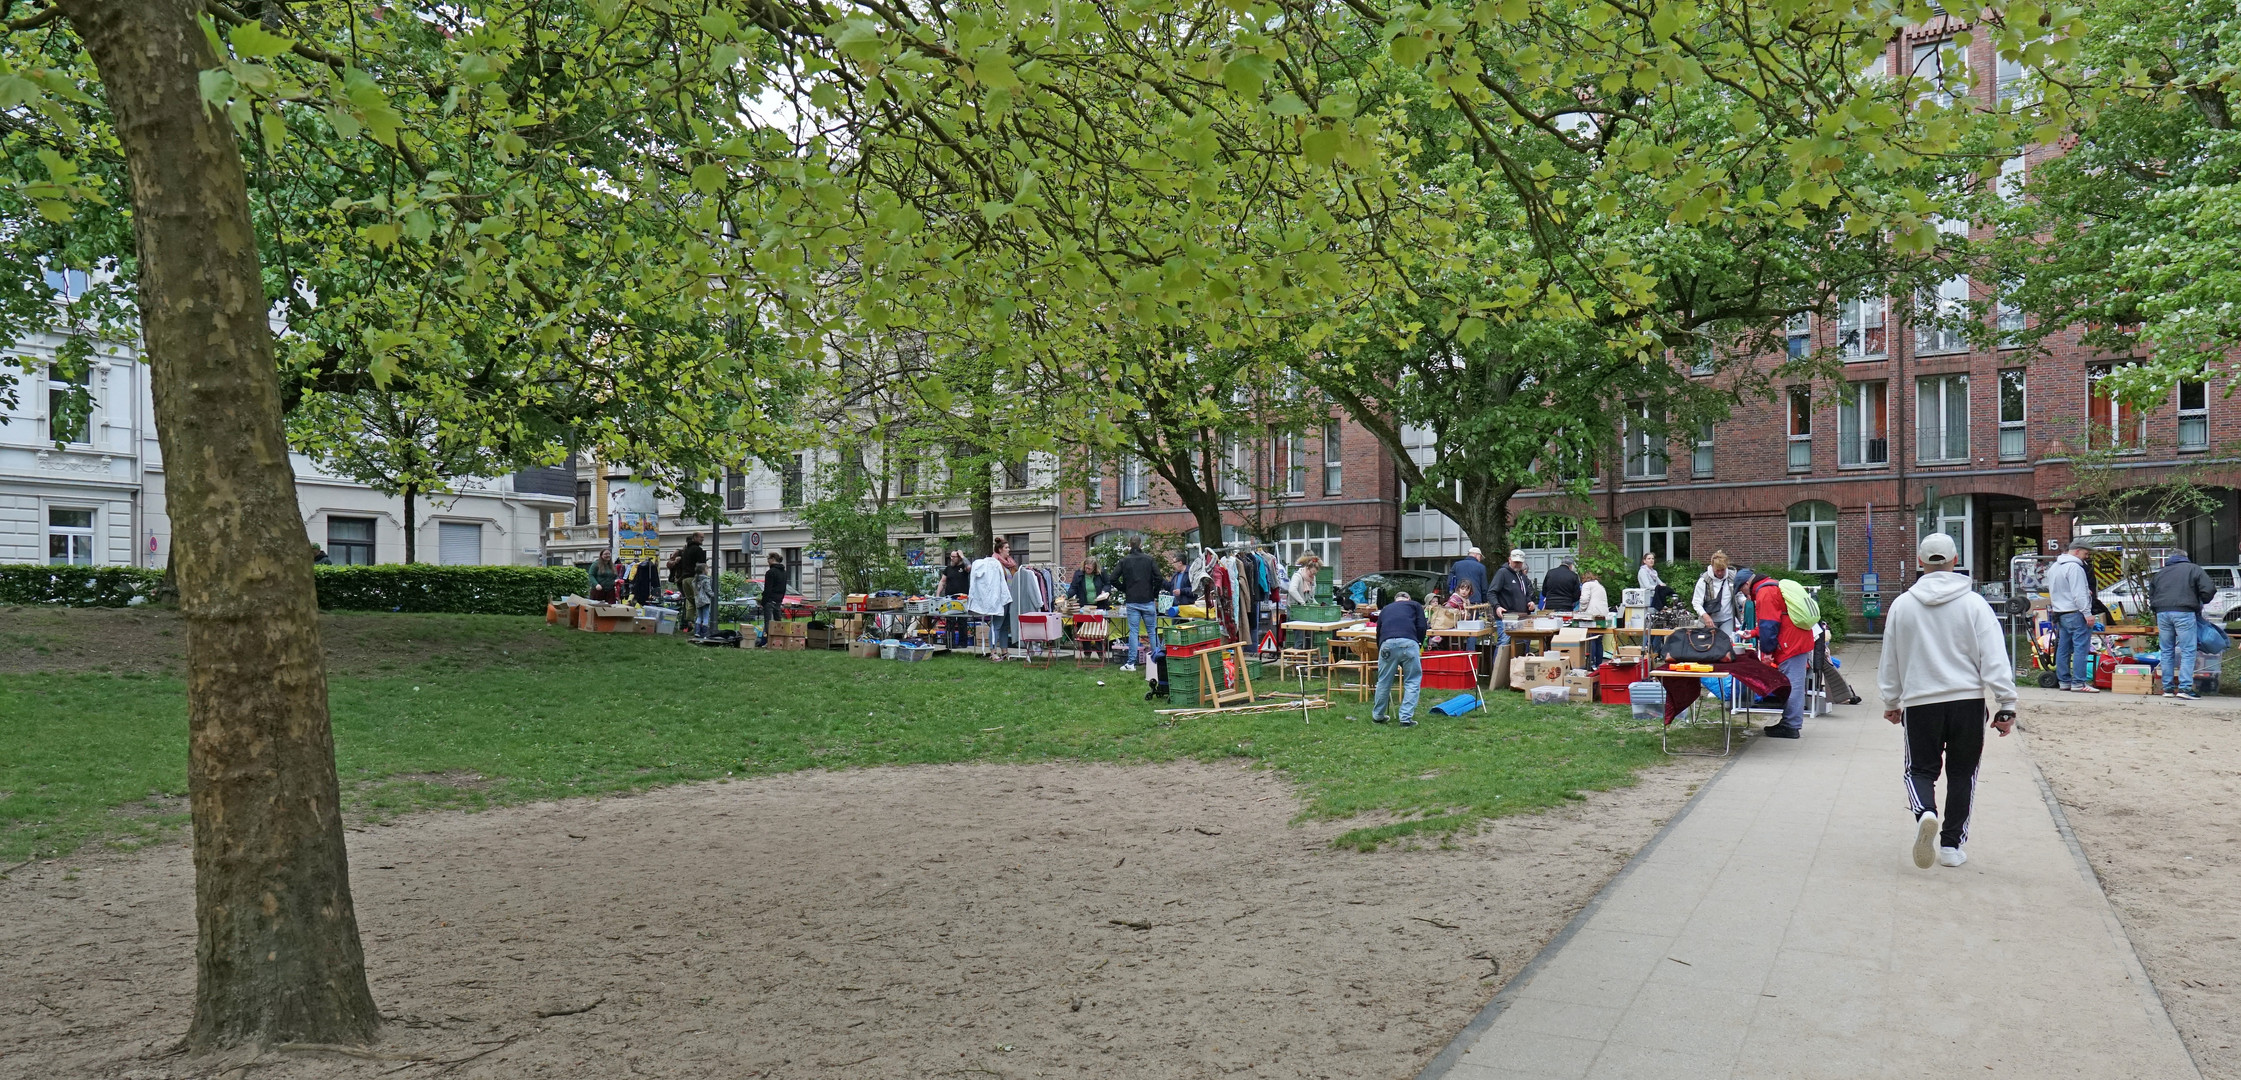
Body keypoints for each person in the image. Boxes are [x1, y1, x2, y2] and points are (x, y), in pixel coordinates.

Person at [1879, 532, 2018, 869]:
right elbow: (1994, 656)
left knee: (1919, 770)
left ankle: (1926, 812)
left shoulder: (1902, 605)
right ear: (1956, 560)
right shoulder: (1974, 604)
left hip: (1921, 702)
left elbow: (1891, 659)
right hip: (1967, 701)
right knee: (1962, 774)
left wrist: (1891, 700)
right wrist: (2006, 702)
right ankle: (1952, 847)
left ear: (1919, 563)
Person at [1753, 568, 1816, 738]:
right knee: (1794, 682)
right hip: (1797, 640)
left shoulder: (1764, 592)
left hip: (1791, 644)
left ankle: (1791, 726)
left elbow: (1769, 625)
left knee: (1793, 684)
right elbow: (1778, 618)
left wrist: (1766, 652)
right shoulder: (1774, 586)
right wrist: (1752, 633)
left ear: (1746, 585)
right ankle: (1789, 722)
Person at [2151, 548, 2216, 699]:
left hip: (2162, 612)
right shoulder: (2194, 569)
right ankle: (2185, 689)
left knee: (2166, 650)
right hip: (2184, 611)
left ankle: (2167, 688)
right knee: (2188, 650)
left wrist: (2156, 608)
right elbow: (2209, 589)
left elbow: (2152, 594)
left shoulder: (2160, 573)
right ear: (2185, 558)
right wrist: (2200, 602)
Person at [2046, 540, 2098, 693]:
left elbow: (2059, 590)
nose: (2086, 557)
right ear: (2077, 551)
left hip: (2060, 612)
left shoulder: (2054, 567)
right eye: (2085, 553)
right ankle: (2079, 683)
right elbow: (2079, 593)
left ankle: (2064, 681)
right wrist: (2087, 613)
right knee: (2081, 648)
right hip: (2076, 612)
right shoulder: (2075, 567)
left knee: (2063, 648)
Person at [1373, 590, 1429, 727]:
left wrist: (1381, 648)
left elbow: (1378, 630)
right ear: (1408, 599)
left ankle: (1378, 716)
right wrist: (1419, 642)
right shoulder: (1415, 605)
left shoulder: (1385, 609)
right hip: (1409, 643)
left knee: (1384, 680)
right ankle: (1405, 718)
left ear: (1395, 600)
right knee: (1412, 680)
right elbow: (1422, 626)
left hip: (1387, 644)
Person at [1116, 541, 1161, 671]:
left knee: (1134, 632)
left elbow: (1113, 578)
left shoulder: (1124, 561)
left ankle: (1131, 663)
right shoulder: (1149, 559)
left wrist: (1124, 589)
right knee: (1152, 631)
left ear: (1130, 544)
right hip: (1148, 600)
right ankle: (1157, 660)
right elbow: (1159, 577)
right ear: (1140, 545)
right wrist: (1154, 593)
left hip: (1132, 600)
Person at [969, 543, 1017, 661]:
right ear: (1000, 550)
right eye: (1006, 548)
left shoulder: (1010, 564)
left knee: (1005, 626)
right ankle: (993, 651)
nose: (1009, 550)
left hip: (1009, 599)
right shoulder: (993, 563)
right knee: (996, 625)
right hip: (998, 599)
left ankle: (1004, 652)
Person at [1692, 551, 1740, 640]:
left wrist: (1745, 601)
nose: (1720, 573)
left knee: (1727, 643)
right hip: (1710, 620)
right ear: (1712, 567)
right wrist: (1705, 616)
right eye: (1717, 570)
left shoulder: (1732, 577)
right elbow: (1696, 602)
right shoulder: (1704, 580)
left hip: (1727, 619)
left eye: (1723, 570)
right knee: (1710, 644)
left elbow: (1738, 595)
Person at [671, 534, 708, 628]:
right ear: (694, 538)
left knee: (690, 602)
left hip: (684, 580)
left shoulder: (685, 551)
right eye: (701, 538)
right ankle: (700, 624)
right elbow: (701, 565)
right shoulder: (697, 550)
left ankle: (688, 623)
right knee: (699, 602)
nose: (702, 539)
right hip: (693, 578)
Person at [757, 552, 789, 647]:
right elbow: (784, 588)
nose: (767, 562)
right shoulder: (784, 572)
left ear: (772, 559)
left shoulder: (770, 572)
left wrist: (763, 601)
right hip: (779, 600)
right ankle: (779, 641)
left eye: (768, 559)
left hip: (770, 600)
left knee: (768, 622)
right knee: (778, 621)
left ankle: (768, 641)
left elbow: (768, 589)